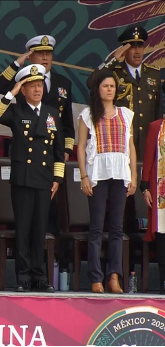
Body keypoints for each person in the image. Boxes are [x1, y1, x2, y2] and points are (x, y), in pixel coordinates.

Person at [0, 64, 63, 293]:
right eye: (32, 86)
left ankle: (39, 277)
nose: (37, 90)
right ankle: (22, 277)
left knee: (40, 228)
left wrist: (57, 178)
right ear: (24, 90)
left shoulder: (52, 113)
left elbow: (58, 150)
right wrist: (12, 91)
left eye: (40, 85)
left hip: (44, 179)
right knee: (23, 229)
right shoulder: (17, 111)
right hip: (22, 178)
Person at [77, 70, 137, 294]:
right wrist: (84, 176)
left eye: (112, 86)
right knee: (96, 227)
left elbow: (130, 147)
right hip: (97, 175)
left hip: (120, 173)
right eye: (106, 86)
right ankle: (95, 278)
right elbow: (81, 147)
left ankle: (114, 276)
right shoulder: (88, 114)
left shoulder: (125, 114)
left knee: (117, 227)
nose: (110, 89)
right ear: (98, 89)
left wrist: (133, 175)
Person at [0, 35, 75, 160]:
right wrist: (16, 64)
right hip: (28, 147)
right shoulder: (22, 82)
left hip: (54, 147)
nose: (45, 58)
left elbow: (67, 121)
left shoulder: (64, 83)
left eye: (48, 54)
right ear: (30, 57)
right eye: (40, 54)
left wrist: (67, 149)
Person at [87, 26, 162, 159]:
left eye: (140, 46)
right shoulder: (114, 72)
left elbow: (157, 110)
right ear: (124, 50)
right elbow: (91, 83)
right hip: (121, 144)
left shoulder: (154, 73)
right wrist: (113, 60)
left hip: (148, 143)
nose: (137, 51)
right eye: (132, 46)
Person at [140, 118, 165, 294]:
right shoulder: (156, 126)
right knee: (163, 233)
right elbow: (148, 157)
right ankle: (164, 279)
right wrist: (145, 187)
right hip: (161, 189)